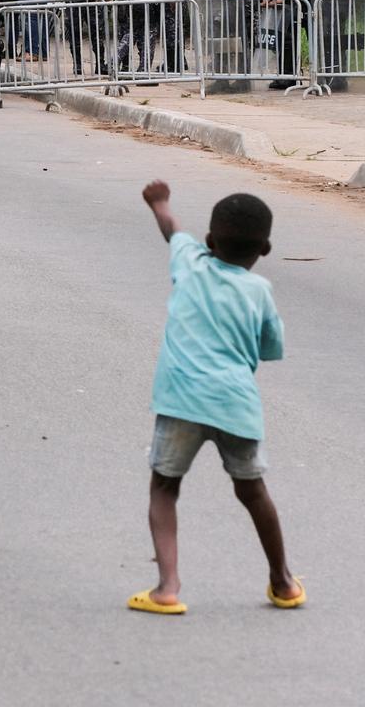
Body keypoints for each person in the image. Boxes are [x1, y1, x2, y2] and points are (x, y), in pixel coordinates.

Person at [128, 181, 300, 616]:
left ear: (209, 240)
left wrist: (160, 202)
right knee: (253, 490)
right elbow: (268, 348)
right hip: (235, 405)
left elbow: (172, 230)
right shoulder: (260, 291)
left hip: (181, 400)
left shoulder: (190, 262)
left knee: (164, 487)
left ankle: (167, 587)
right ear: (265, 249)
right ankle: (282, 581)